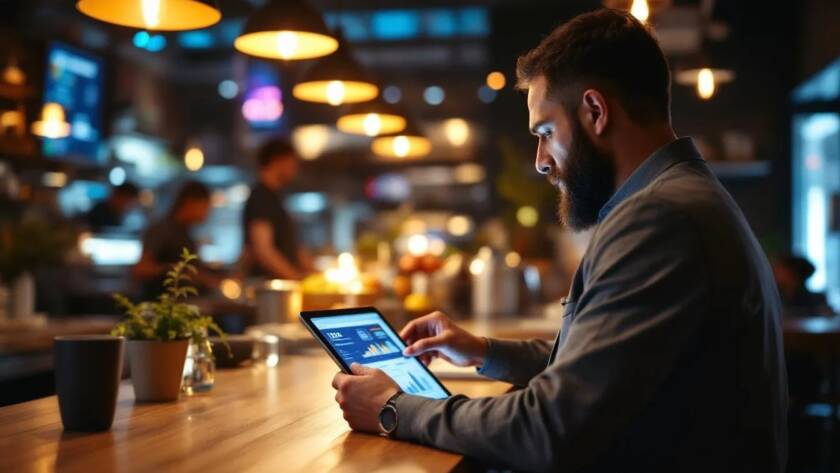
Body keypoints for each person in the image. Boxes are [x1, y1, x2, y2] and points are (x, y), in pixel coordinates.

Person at [331, 9, 787, 472]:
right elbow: (597, 368)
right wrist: (482, 351)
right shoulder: (683, 196)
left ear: (595, 111)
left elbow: (548, 428)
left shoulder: (659, 218)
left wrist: (396, 409)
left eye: (546, 132)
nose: (541, 161)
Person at [133, 181, 220, 298]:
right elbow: (141, 269)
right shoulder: (162, 230)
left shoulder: (185, 233)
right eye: (205, 206)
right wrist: (175, 270)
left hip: (180, 306)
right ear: (190, 202)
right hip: (161, 307)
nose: (207, 213)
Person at [242, 138, 313, 280]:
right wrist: (296, 279)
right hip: (270, 291)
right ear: (277, 161)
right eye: (292, 163)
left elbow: (293, 246)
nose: (295, 169)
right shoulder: (261, 197)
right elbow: (263, 250)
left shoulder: (274, 197)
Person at [772, 253, 833, 318]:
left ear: (792, 273)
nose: (773, 272)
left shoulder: (816, 302)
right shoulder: (775, 298)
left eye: (779, 269)